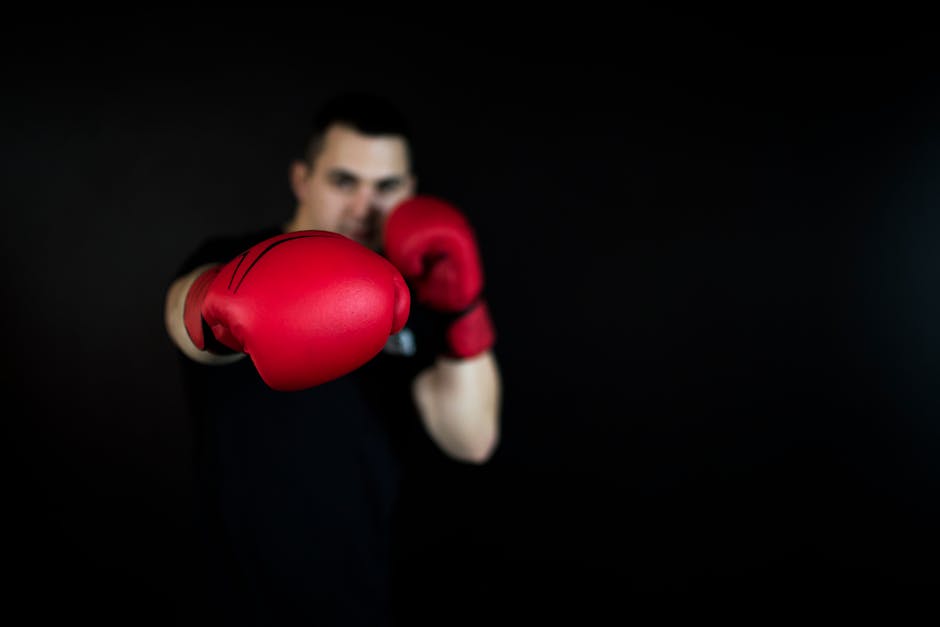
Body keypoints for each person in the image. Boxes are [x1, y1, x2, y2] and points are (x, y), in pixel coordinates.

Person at [163, 91, 502, 626]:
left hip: (359, 600)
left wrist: (463, 307)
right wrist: (216, 300)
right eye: (344, 181)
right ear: (302, 179)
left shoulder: (412, 294)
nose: (365, 207)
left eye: (386, 187)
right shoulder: (236, 259)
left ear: (410, 192)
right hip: (236, 599)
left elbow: (472, 439)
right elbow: (181, 318)